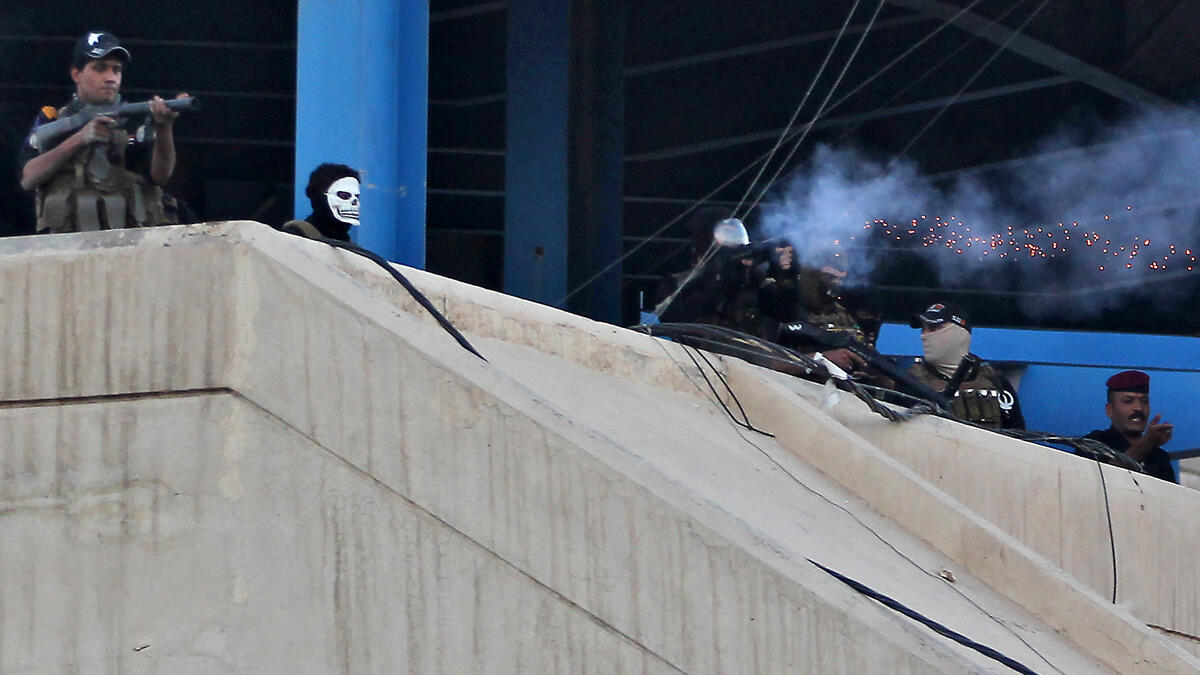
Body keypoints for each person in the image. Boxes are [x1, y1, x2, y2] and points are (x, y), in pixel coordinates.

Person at [18, 31, 187, 233]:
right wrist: (79, 139)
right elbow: (27, 178)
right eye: (100, 68)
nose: (110, 78)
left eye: (116, 70)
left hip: (128, 243)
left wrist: (164, 127)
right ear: (76, 74)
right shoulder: (53, 119)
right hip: (67, 247)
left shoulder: (133, 119)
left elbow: (160, 176)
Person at [907, 302, 1025, 429]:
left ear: (959, 333)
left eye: (934, 328)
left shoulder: (996, 382)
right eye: (923, 329)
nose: (924, 336)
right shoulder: (909, 383)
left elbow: (1018, 438)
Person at [1082, 370, 1176, 483]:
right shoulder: (1092, 444)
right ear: (1110, 410)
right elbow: (1103, 482)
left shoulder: (1159, 457)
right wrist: (1145, 444)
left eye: (1144, 401)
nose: (1139, 408)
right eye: (1128, 401)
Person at [282, 163, 361, 242]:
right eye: (344, 195)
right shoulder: (294, 237)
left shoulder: (351, 246)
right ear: (320, 198)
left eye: (357, 197)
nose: (355, 203)